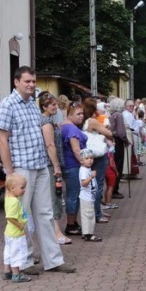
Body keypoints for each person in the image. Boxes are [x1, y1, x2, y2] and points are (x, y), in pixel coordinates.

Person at [0, 66, 75, 274]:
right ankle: (24, 261)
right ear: (16, 82)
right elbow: (2, 140)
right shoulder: (7, 105)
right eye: (27, 81)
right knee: (22, 216)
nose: (31, 85)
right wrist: (10, 172)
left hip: (40, 166)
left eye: (33, 81)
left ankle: (54, 260)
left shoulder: (32, 103)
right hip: (21, 168)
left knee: (45, 214)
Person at [38, 92, 72, 245]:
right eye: (53, 105)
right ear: (44, 106)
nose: (56, 107)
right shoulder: (46, 123)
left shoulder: (48, 120)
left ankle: (55, 231)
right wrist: (57, 165)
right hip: (50, 165)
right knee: (54, 197)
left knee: (55, 196)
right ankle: (56, 232)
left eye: (56, 104)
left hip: (50, 164)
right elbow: (50, 145)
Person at [82, 97, 113, 224]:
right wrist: (106, 126)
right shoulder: (92, 121)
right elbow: (109, 133)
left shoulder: (82, 121)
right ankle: (97, 213)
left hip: (88, 154)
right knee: (98, 184)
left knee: (92, 183)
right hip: (98, 155)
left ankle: (97, 210)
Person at [60, 101, 87, 236]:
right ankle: (70, 224)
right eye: (78, 114)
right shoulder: (71, 128)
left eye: (82, 113)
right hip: (73, 165)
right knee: (73, 195)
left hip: (70, 165)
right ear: (70, 114)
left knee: (73, 194)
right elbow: (76, 149)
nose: (82, 116)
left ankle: (74, 222)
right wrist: (84, 162)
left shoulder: (65, 126)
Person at [2, 173, 32, 283]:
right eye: (22, 188)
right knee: (17, 252)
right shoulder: (14, 202)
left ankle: (7, 271)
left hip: (9, 232)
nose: (24, 190)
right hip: (16, 233)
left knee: (9, 251)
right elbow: (10, 217)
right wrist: (20, 225)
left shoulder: (9, 197)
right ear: (12, 188)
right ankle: (16, 274)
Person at [77, 149, 102, 242]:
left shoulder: (87, 169)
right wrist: (91, 177)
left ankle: (86, 232)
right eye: (87, 158)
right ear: (81, 161)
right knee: (89, 215)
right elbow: (84, 183)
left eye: (91, 158)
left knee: (89, 214)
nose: (90, 160)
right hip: (86, 197)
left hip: (89, 196)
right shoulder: (84, 171)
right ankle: (88, 234)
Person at [108, 98, 128, 198]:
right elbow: (121, 132)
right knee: (118, 165)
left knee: (114, 164)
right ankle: (115, 189)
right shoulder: (119, 115)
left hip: (112, 140)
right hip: (118, 141)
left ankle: (112, 188)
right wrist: (125, 140)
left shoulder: (112, 115)